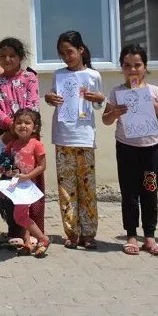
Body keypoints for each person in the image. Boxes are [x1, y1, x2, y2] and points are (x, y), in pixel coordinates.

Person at [102, 44, 158, 256]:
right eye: (127, 65)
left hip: (150, 148)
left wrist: (154, 105)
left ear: (145, 66)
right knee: (129, 193)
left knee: (150, 191)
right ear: (122, 67)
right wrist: (115, 112)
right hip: (126, 148)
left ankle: (149, 236)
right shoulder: (117, 92)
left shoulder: (154, 91)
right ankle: (131, 235)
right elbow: (106, 120)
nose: (133, 70)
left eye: (137, 65)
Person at [44, 30, 104, 250]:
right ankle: (72, 232)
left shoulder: (93, 76)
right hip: (63, 136)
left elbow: (98, 104)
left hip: (85, 136)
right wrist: (49, 98)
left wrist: (99, 99)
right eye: (62, 54)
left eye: (70, 52)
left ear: (81, 50)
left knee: (87, 188)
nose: (67, 57)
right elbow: (52, 96)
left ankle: (89, 232)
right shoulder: (58, 75)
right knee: (66, 188)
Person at [0, 37, 40, 245]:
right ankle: (14, 231)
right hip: (5, 137)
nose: (7, 59)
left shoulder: (30, 78)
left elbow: (32, 105)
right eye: (3, 56)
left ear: (20, 57)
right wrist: (10, 124)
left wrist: (22, 126)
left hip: (29, 137)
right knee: (9, 182)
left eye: (12, 55)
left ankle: (33, 230)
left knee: (28, 181)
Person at [0, 109, 49, 258]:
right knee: (22, 215)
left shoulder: (36, 144)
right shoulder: (12, 145)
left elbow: (42, 166)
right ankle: (28, 242)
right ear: (13, 126)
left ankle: (42, 239)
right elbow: (6, 166)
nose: (23, 126)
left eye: (27, 122)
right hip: (15, 187)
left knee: (20, 217)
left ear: (35, 127)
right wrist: (4, 170)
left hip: (27, 187)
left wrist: (27, 176)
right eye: (19, 122)